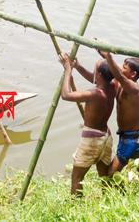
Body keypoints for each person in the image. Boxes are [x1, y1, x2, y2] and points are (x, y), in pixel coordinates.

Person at [59, 54, 116, 195]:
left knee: (77, 178)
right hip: (106, 136)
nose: (93, 73)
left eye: (95, 70)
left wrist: (67, 70)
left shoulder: (95, 93)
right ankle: (109, 198)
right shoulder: (112, 86)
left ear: (100, 75)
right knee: (104, 175)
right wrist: (77, 66)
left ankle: (76, 209)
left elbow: (66, 95)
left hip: (92, 140)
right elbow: (94, 78)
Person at [99, 50, 139, 175]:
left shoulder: (133, 88)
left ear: (133, 74)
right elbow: (97, 79)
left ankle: (112, 192)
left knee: (111, 173)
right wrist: (78, 66)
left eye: (124, 67)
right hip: (132, 134)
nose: (121, 69)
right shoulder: (119, 83)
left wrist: (108, 56)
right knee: (138, 165)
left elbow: (119, 75)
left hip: (133, 137)